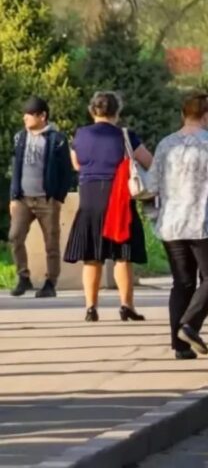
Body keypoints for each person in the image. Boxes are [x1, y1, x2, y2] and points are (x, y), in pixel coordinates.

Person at [147, 92, 208, 360]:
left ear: (183, 115)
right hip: (204, 222)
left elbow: (152, 184)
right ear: (206, 116)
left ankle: (180, 346)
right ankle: (190, 325)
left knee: (182, 283)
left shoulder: (166, 144)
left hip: (171, 224)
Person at [64, 91, 152, 322]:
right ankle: (126, 305)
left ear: (92, 110)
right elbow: (149, 162)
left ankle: (91, 308)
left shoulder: (79, 135)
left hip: (90, 197)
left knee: (92, 256)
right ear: (117, 111)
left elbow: (76, 164)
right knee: (123, 255)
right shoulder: (126, 136)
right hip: (118, 198)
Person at [8, 97, 75, 298]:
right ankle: (23, 277)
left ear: (42, 116)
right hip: (23, 198)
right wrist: (13, 196)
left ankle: (50, 282)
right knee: (15, 236)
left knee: (51, 243)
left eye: (29, 114)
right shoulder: (20, 137)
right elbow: (16, 168)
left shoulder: (57, 139)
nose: (25, 118)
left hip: (47, 199)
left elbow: (66, 171)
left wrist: (58, 197)